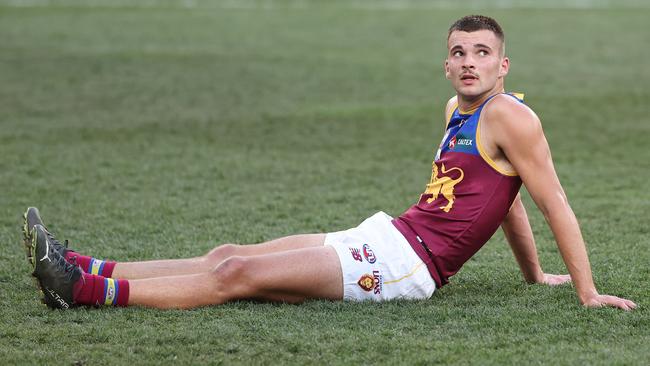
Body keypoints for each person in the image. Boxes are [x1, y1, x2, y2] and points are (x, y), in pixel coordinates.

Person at [24, 15, 636, 311]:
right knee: (227, 254)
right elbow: (507, 202)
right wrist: (533, 276)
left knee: (237, 273)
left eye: (483, 53)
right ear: (446, 65)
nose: (469, 61)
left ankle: (81, 289)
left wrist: (586, 291)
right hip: (389, 236)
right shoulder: (458, 107)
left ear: (504, 66)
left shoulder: (513, 118)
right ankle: (82, 262)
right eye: (458, 52)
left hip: (407, 269)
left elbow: (553, 202)